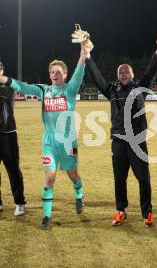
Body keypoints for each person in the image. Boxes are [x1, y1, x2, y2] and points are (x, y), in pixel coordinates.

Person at [0, 38, 92, 230]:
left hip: (67, 143)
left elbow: (80, 72)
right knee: (49, 178)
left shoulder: (69, 89)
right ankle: (47, 217)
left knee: (73, 175)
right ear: (49, 75)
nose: (55, 74)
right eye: (52, 72)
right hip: (49, 143)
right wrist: (3, 79)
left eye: (59, 71)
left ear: (65, 74)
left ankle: (79, 196)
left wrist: (84, 53)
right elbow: (23, 87)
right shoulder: (44, 90)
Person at [85, 35, 157, 227]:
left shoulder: (140, 89)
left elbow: (151, 71)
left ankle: (147, 212)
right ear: (118, 75)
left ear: (132, 74)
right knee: (119, 179)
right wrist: (87, 56)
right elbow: (97, 78)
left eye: (126, 71)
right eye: (120, 71)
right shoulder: (111, 90)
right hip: (118, 142)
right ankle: (121, 210)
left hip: (137, 142)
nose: (123, 73)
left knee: (143, 179)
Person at [0, 61, 26, 216]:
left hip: (8, 134)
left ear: (2, 71)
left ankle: (20, 202)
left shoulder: (9, 88)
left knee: (13, 170)